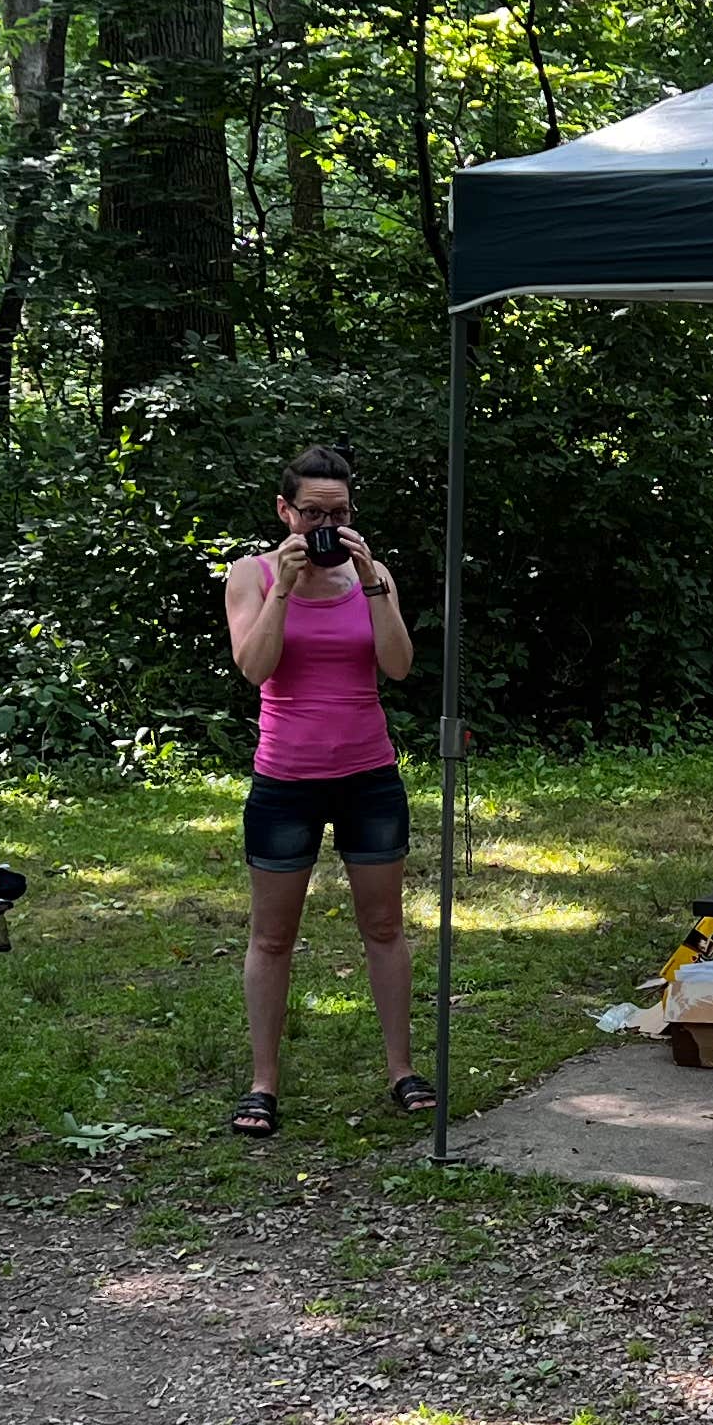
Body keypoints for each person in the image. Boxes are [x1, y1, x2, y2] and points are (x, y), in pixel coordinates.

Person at [222, 445, 429, 1135]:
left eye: (338, 514)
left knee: (384, 927)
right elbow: (255, 669)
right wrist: (283, 588)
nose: (325, 526)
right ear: (285, 512)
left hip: (369, 775)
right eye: (312, 512)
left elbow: (398, 666)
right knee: (273, 937)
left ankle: (401, 1070)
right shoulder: (250, 577)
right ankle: (263, 1082)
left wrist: (371, 582)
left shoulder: (374, 576)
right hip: (286, 779)